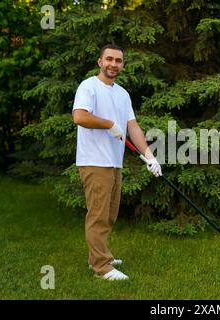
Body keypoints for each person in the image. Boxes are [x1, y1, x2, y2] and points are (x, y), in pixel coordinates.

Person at [72, 44, 161, 281]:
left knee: (109, 214)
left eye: (118, 60)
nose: (114, 64)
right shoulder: (88, 86)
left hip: (114, 162)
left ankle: (100, 254)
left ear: (122, 64)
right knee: (98, 215)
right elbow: (79, 116)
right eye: (109, 59)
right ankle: (102, 267)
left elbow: (132, 126)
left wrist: (150, 156)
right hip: (94, 161)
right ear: (99, 61)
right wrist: (109, 124)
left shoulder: (122, 94)